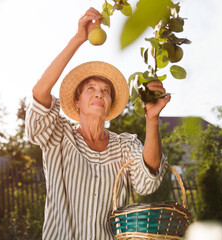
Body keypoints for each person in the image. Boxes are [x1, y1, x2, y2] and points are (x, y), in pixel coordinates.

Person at [25, 7, 171, 240]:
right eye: (90, 89)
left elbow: (147, 182)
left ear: (110, 102)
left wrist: (151, 119)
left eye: (105, 91)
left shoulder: (124, 145)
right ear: (77, 101)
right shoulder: (59, 135)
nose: (99, 94)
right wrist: (78, 39)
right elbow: (39, 94)